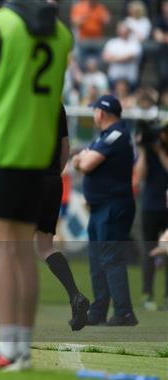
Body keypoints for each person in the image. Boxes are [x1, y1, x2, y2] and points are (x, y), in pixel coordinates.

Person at [0, 0, 72, 371]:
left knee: (0, 249)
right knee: (23, 252)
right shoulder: (60, 34)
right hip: (36, 154)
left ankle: (6, 350)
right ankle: (20, 349)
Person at [72, 95, 138, 327]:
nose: (93, 114)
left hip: (113, 206)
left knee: (110, 258)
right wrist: (81, 159)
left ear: (101, 113)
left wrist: (81, 159)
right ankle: (99, 311)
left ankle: (124, 312)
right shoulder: (108, 136)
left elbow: (86, 163)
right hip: (102, 206)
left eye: (95, 110)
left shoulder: (117, 134)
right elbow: (80, 160)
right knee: (97, 260)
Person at [35, 105, 90, 331]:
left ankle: (11, 313)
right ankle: (75, 295)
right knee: (46, 247)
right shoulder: (56, 106)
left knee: (13, 247)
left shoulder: (21, 100)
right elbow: (65, 146)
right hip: (53, 180)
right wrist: (54, 175)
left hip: (27, 181)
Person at [135, 121, 168, 311]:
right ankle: (147, 293)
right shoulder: (147, 152)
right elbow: (140, 175)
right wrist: (144, 151)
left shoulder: (163, 151)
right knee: (149, 251)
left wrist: (160, 151)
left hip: (166, 207)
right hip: (151, 207)